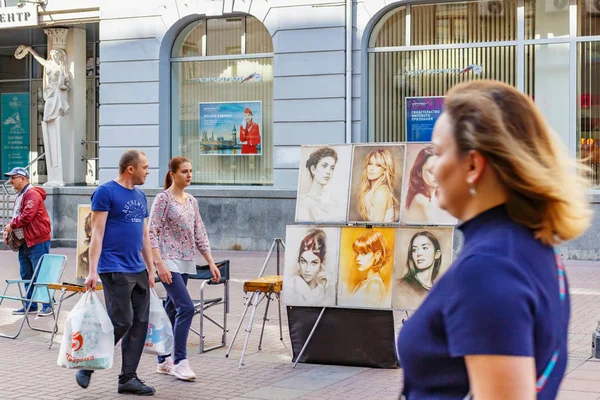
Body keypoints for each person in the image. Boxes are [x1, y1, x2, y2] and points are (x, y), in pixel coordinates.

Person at [397, 80, 591, 399]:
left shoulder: (489, 268)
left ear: (473, 165)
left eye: (438, 152)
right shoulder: (524, 247)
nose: (430, 166)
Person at [76, 150, 156, 396]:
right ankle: (88, 363)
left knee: (140, 323)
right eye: (145, 167)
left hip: (138, 268)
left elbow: (144, 236)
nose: (148, 171)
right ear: (130, 168)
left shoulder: (141, 195)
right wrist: (92, 271)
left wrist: (151, 270)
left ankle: (128, 378)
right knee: (122, 320)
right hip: (113, 267)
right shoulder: (106, 192)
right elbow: (96, 234)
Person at [149, 156, 221, 381]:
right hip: (167, 261)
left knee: (172, 309)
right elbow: (151, 232)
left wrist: (210, 261)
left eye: (190, 171)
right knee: (186, 307)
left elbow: (199, 232)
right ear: (173, 174)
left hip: (186, 260)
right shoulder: (163, 200)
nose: (189, 175)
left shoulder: (191, 201)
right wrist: (158, 264)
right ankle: (180, 360)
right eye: (184, 171)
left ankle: (163, 360)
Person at [17, 46, 71, 186]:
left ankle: (58, 178)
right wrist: (30, 50)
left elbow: (67, 83)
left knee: (57, 118)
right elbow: (39, 59)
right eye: (52, 55)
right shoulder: (48, 65)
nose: (54, 57)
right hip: (50, 93)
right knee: (47, 117)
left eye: (56, 55)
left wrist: (64, 85)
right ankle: (53, 177)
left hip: (58, 93)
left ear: (60, 57)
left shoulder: (62, 68)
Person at [2, 167, 52, 316]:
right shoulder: (22, 194)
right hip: (26, 241)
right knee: (26, 274)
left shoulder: (31, 193)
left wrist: (11, 226)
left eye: (13, 177)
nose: (10, 180)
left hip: (37, 240)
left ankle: (47, 304)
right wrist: (9, 232)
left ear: (23, 178)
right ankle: (31, 304)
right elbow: (20, 216)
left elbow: (26, 216)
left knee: (41, 274)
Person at [393, 231, 442, 310]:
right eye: (414, 250)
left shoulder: (439, 291)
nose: (419, 253)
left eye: (425, 248)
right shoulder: (402, 286)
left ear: (437, 254)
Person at [284, 229, 330, 306]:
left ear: (321, 264)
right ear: (299, 261)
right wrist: (323, 286)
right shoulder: (295, 281)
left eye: (314, 263)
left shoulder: (319, 287)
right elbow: (311, 301)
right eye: (304, 261)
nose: (307, 269)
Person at [297, 147, 343, 222]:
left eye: (332, 168)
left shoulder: (333, 202)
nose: (328, 172)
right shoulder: (304, 203)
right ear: (313, 169)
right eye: (324, 166)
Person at [345, 231, 390, 307]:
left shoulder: (374, 285)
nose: (358, 258)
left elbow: (370, 316)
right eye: (357, 253)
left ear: (377, 255)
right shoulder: (366, 280)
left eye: (364, 253)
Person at [356, 148, 399, 223]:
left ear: (385, 170)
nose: (372, 168)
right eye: (370, 163)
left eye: (378, 165)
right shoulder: (374, 190)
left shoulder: (380, 192)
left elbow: (377, 227)